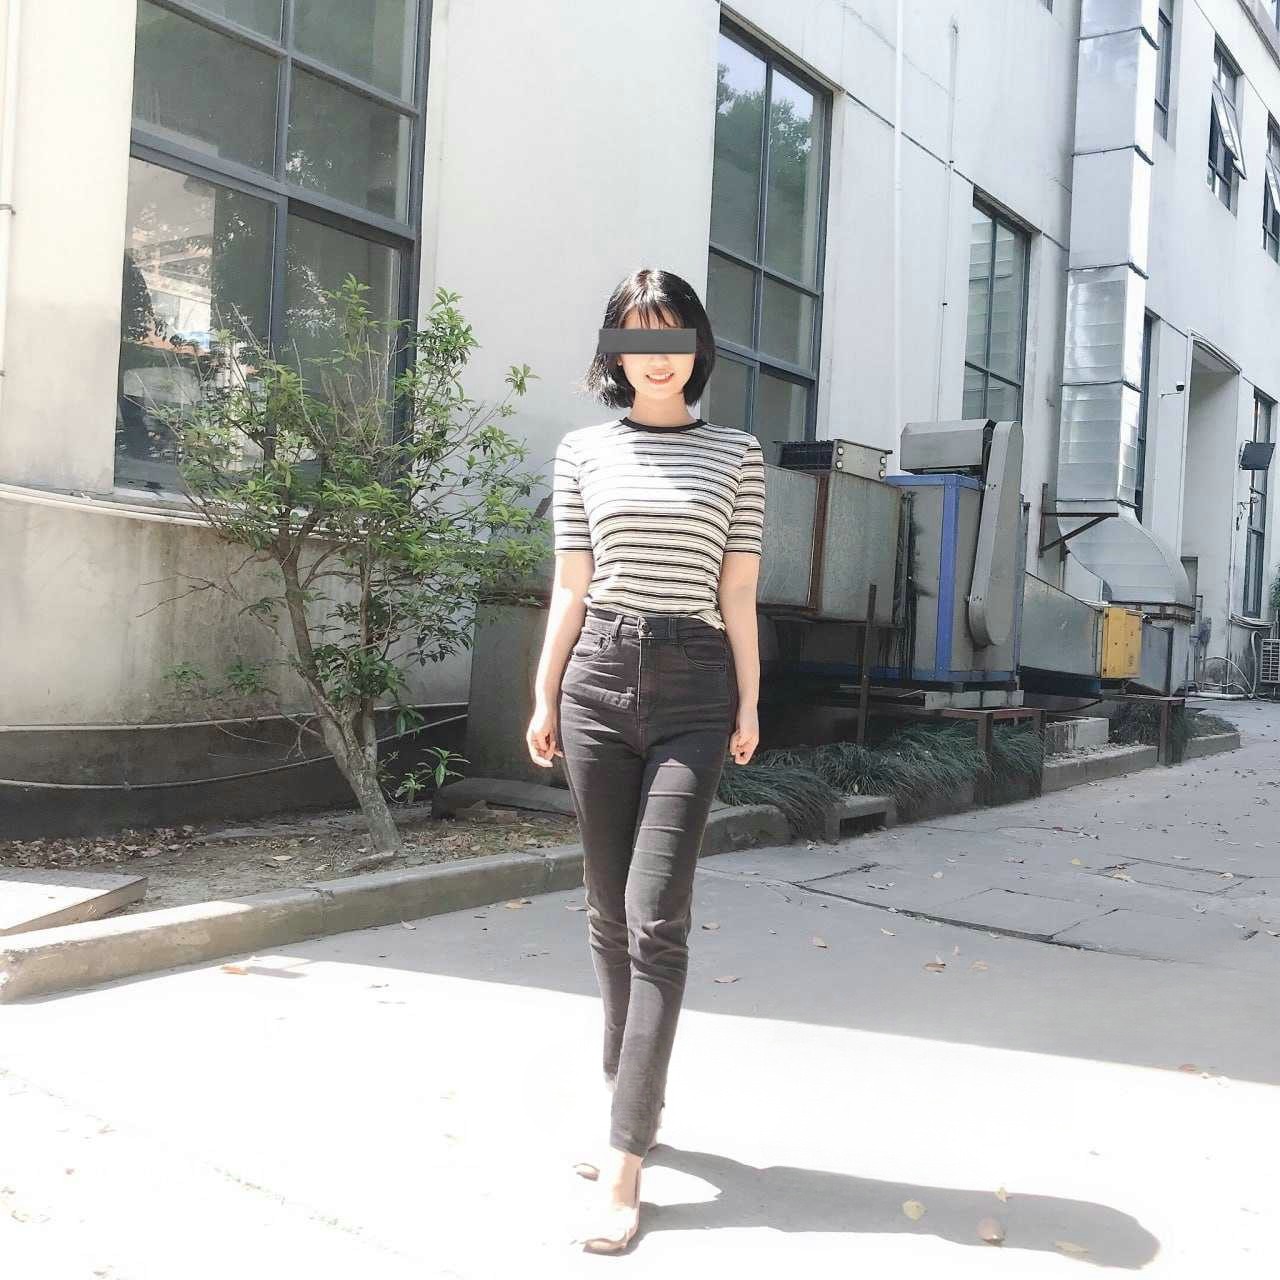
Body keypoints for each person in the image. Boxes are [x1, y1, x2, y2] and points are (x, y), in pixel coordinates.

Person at [526, 267, 766, 1253]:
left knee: (653, 918)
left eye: (672, 335)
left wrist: (750, 698)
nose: (656, 355)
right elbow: (570, 585)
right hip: (596, 679)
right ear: (615, 353)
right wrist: (543, 692)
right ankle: (628, 1101)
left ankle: (625, 1155)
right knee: (603, 910)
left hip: (695, 686)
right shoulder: (582, 451)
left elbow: (737, 588)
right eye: (637, 337)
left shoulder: (737, 454)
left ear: (697, 347)